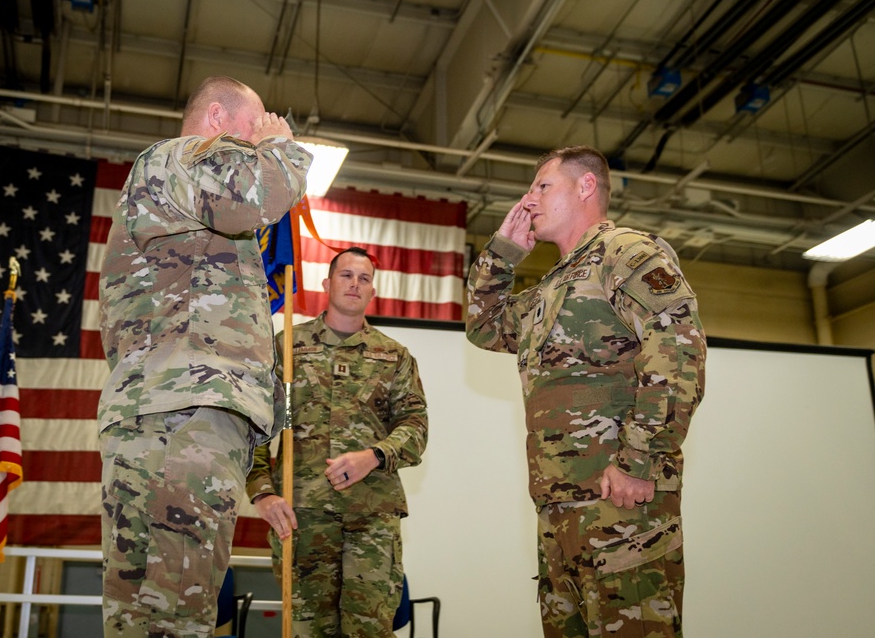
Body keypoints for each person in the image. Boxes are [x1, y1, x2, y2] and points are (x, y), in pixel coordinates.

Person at [97, 75, 313, 638]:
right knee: (173, 613)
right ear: (217, 117)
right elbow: (256, 198)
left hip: (171, 411)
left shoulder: (180, 189)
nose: (259, 133)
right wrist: (280, 146)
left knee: (150, 614)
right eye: (254, 122)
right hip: (182, 415)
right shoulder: (183, 156)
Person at [466, 146, 707, 637]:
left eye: (541, 186)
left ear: (586, 187)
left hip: (621, 505)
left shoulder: (626, 253)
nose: (528, 200)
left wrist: (639, 460)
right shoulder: (551, 286)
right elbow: (485, 327)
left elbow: (679, 351)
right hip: (559, 512)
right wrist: (503, 254)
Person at [246, 247, 429, 638]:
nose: (354, 284)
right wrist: (262, 493)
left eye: (364, 278)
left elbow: (416, 428)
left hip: (372, 520)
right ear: (327, 284)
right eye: (346, 275)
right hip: (303, 516)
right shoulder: (287, 349)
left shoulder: (395, 357)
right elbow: (255, 428)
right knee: (309, 632)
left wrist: (374, 456)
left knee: (370, 631)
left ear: (372, 292)